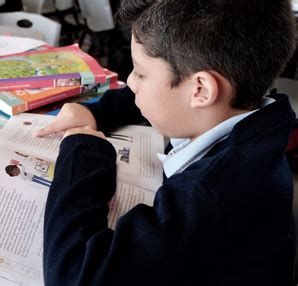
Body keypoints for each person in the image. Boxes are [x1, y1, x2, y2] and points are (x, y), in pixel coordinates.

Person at [35, 0, 297, 285]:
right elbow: (163, 95)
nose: (131, 84)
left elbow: (72, 276)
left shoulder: (211, 195)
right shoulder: (253, 117)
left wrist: (81, 151)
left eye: (141, 73)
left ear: (201, 89)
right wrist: (94, 110)